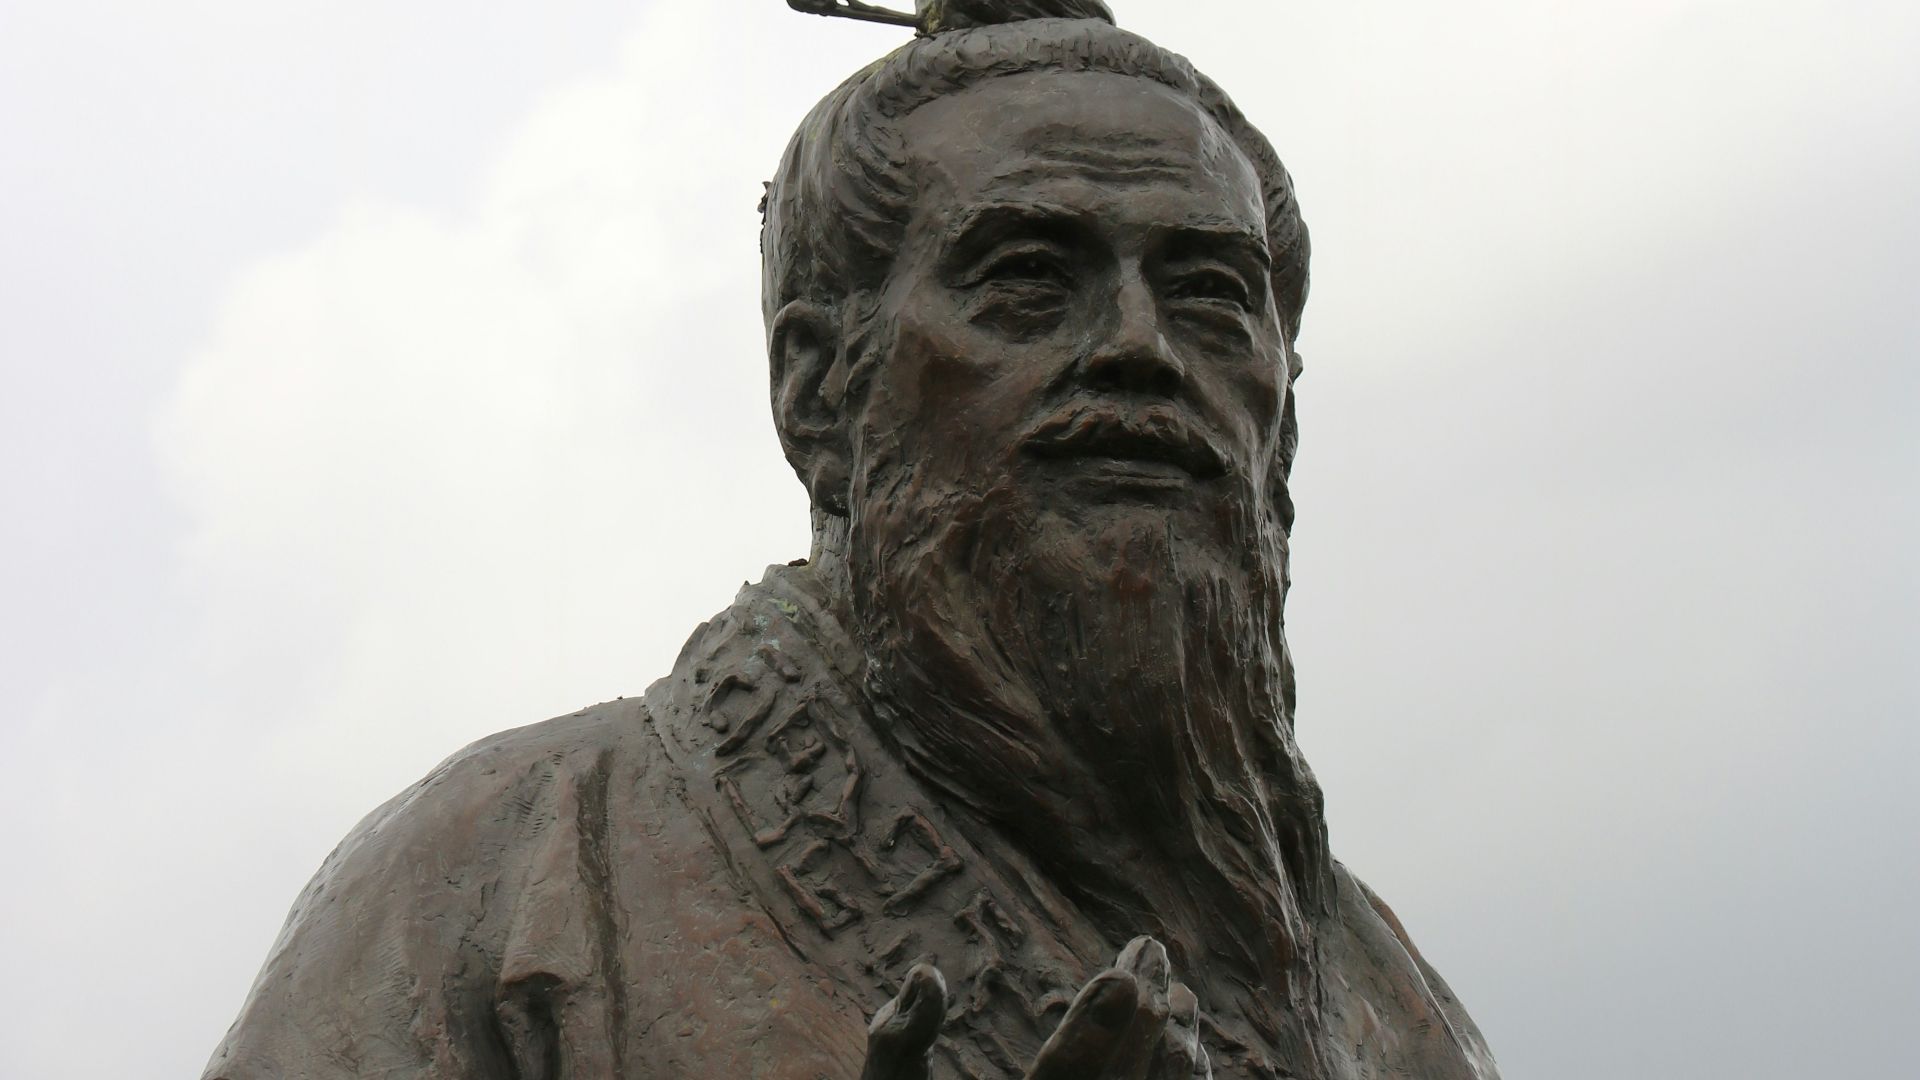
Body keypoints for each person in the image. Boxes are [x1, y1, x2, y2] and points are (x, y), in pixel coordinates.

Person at [204, 4, 1501, 1078]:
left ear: (1283, 400)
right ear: (819, 388)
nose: (1138, 349)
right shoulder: (497, 883)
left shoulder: (1392, 1015)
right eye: (1029, 283)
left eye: (1211, 296)